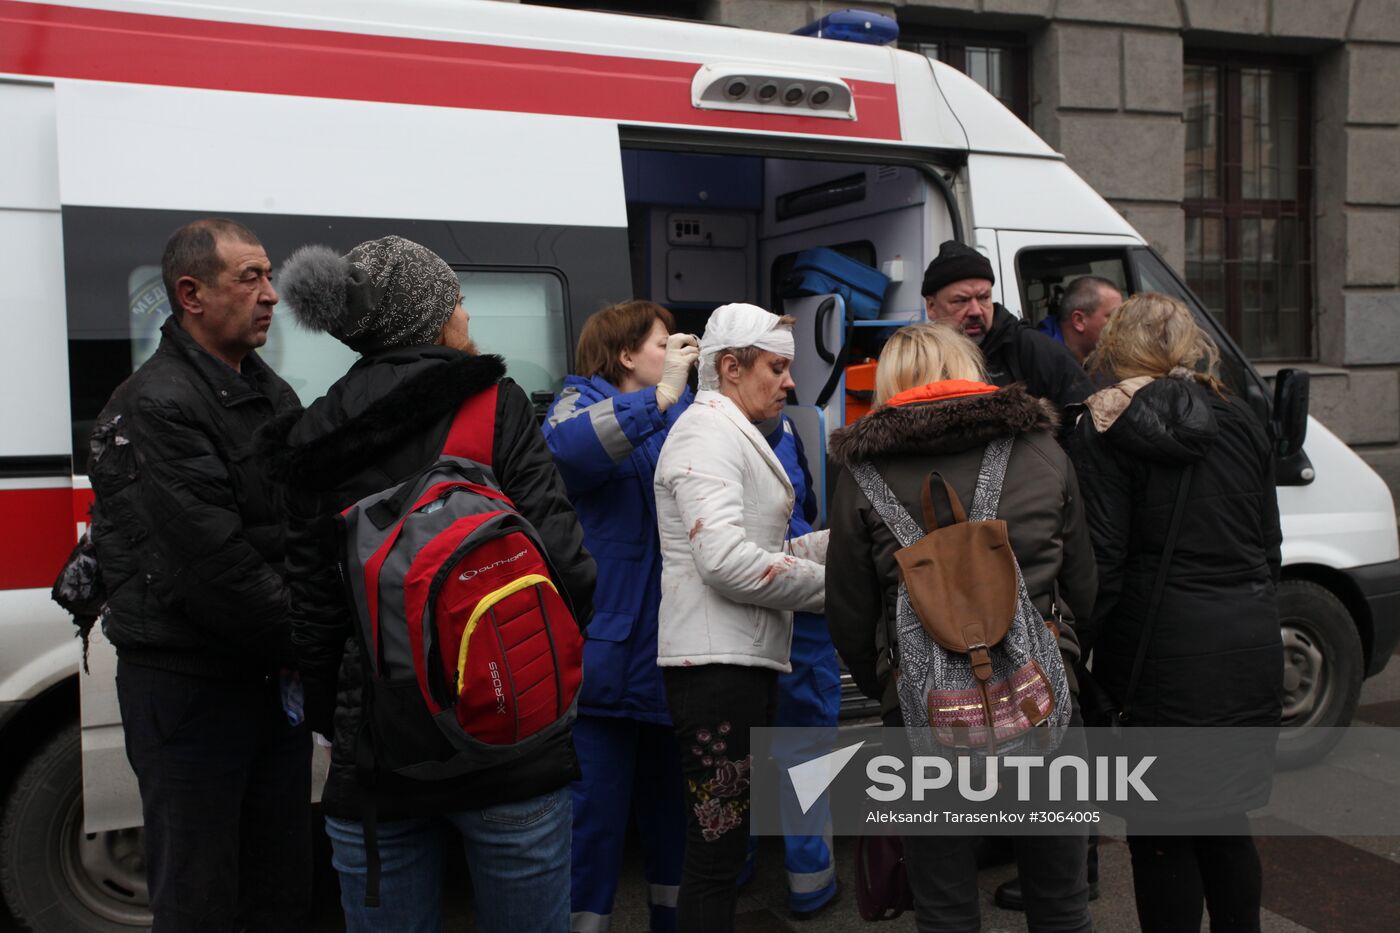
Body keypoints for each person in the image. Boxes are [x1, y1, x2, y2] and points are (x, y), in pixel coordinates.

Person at [269, 235, 595, 932]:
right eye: (456, 299)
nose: (467, 314)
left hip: (379, 761)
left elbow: (313, 618)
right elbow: (569, 567)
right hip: (512, 738)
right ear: (430, 316)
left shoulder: (311, 434)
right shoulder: (494, 406)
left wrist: (347, 724)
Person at [825, 321, 1097, 933]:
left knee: (944, 904)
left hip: (927, 712)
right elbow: (1082, 581)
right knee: (1060, 898)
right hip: (1041, 695)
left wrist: (892, 688)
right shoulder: (1042, 450)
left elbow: (847, 608)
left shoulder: (862, 475)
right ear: (972, 370)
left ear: (891, 385)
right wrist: (1066, 658)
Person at [86, 217, 310, 931]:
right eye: (251, 278)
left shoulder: (269, 393)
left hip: (267, 682)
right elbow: (217, 570)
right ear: (191, 293)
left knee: (277, 887)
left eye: (270, 276)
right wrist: (323, 642)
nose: (271, 294)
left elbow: (307, 522)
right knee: (200, 894)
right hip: (192, 691)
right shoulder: (158, 403)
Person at [1068, 293, 1282, 933]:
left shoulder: (1102, 426)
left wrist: (1083, 654)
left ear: (1115, 349)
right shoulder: (1239, 417)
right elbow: (1269, 545)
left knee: (1162, 830)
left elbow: (1100, 564)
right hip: (1247, 643)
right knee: (1225, 821)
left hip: (1160, 655)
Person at [653, 302, 828, 933]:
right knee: (715, 854)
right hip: (714, 673)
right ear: (730, 368)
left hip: (733, 667)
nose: (789, 382)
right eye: (778, 368)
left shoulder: (728, 430)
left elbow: (762, 550)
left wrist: (848, 548)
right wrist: (838, 590)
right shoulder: (706, 433)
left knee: (719, 849)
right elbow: (724, 562)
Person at [542, 300, 697, 933]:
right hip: (605, 662)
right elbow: (570, 453)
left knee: (675, 822)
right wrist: (658, 400)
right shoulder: (573, 403)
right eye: (666, 344)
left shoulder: (681, 412)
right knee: (593, 825)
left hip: (675, 652)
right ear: (628, 354)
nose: (677, 356)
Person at [736, 415, 841, 920]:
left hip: (762, 612)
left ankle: (774, 874)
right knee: (805, 749)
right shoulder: (770, 429)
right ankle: (810, 881)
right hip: (797, 609)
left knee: (750, 744)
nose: (787, 380)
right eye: (776, 367)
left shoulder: (696, 429)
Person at [921, 240, 1092, 418]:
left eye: (983, 297)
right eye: (961, 301)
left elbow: (1086, 423)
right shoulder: (919, 359)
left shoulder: (1033, 349)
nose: (976, 311)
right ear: (931, 306)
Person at [1036, 275, 1123, 364]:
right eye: (1113, 316)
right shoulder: (1042, 361)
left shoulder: (1104, 356)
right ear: (1079, 320)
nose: (1121, 323)